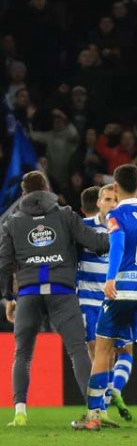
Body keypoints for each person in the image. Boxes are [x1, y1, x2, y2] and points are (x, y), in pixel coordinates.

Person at [1, 171, 109, 428]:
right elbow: (95, 242)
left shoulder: (13, 222)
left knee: (23, 354)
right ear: (47, 188)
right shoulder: (65, 214)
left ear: (24, 193)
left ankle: (20, 413)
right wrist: (119, 235)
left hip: (28, 294)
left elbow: (4, 263)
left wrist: (8, 297)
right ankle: (94, 410)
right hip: (62, 292)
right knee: (77, 351)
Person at [72, 164, 137, 432]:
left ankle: (93, 416)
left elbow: (117, 246)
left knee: (102, 352)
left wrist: (111, 278)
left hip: (120, 293)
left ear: (115, 187)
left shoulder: (116, 215)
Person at [76, 185, 134, 423]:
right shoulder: (83, 227)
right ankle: (100, 408)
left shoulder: (123, 228)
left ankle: (106, 401)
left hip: (115, 300)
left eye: (115, 200)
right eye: (107, 199)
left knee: (118, 353)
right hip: (89, 299)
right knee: (97, 353)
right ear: (99, 202)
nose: (111, 203)